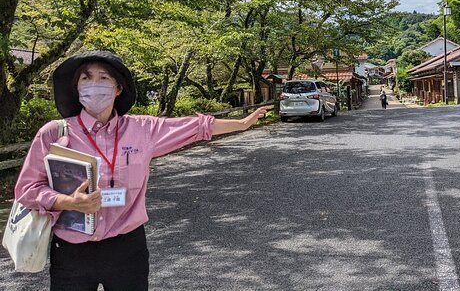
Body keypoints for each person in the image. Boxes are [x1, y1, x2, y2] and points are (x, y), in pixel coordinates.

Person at [13, 51, 272, 291]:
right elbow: (27, 189)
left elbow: (195, 127)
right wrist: (67, 202)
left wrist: (242, 123)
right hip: (71, 250)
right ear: (77, 87)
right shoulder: (55, 132)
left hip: (127, 249)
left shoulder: (142, 130)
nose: (94, 84)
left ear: (118, 88)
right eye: (86, 78)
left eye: (103, 78)